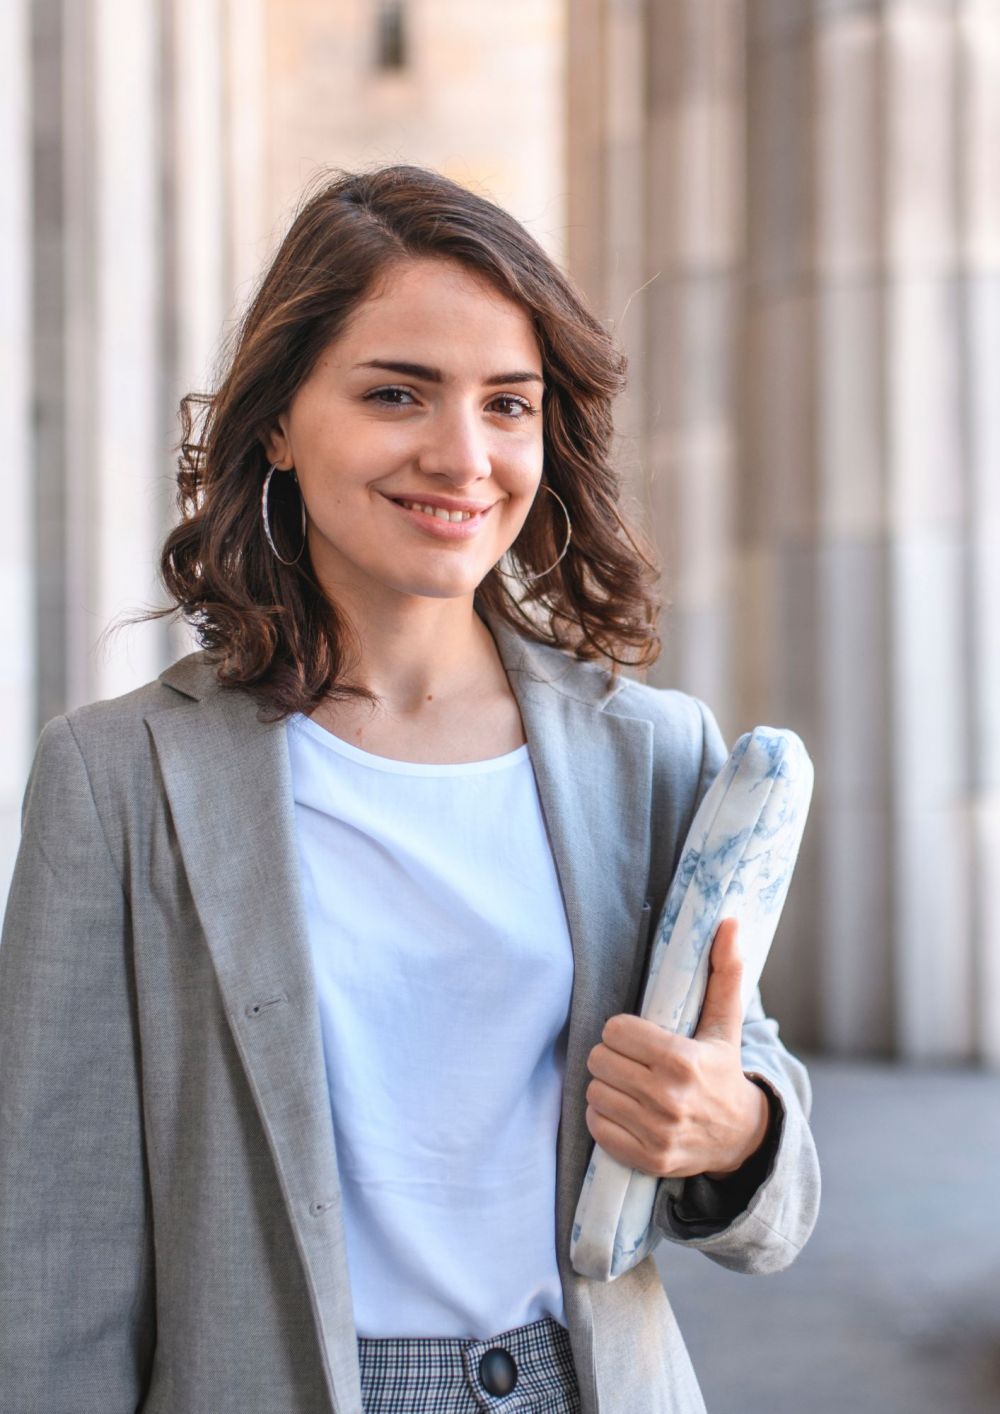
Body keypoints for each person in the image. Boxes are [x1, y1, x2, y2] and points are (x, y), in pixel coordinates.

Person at [0, 165, 819, 1414]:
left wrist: (735, 1128)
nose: (463, 457)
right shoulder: (115, 782)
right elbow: (52, 1253)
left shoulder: (651, 753)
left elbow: (774, 1193)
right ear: (279, 420)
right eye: (397, 393)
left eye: (508, 404)